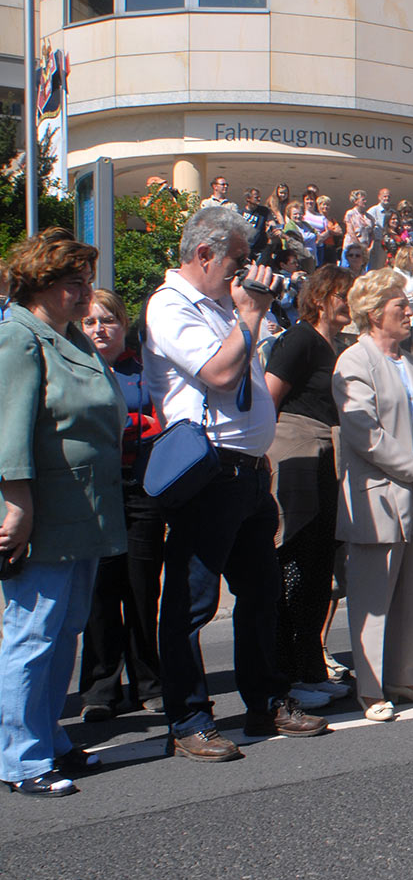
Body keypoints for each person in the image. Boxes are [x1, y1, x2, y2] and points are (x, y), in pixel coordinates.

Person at [144, 206, 329, 762]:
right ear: (204, 254)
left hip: (248, 470)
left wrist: (243, 309)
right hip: (209, 474)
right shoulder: (170, 305)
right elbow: (221, 376)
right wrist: (248, 314)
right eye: (237, 262)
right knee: (192, 605)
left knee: (262, 593)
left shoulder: (223, 304)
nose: (245, 273)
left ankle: (267, 699)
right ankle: (189, 719)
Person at [0, 235, 126, 795]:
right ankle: (20, 758)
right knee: (31, 634)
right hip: (45, 510)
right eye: (72, 282)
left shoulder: (70, 337)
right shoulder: (18, 336)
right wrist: (17, 505)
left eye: (85, 280)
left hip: (85, 510)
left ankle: (47, 738)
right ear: (41, 285)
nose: (83, 293)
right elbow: (10, 431)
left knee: (65, 630)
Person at [332, 268, 413, 722]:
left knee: (412, 595)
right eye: (399, 304)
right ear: (372, 311)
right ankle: (370, 686)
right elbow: (364, 432)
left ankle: (406, 676)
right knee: (372, 597)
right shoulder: (354, 361)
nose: (409, 311)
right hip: (379, 497)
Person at [263, 265, 356, 707]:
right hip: (298, 453)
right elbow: (268, 395)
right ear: (321, 298)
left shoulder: (333, 345)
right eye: (343, 295)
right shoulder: (299, 338)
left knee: (319, 565)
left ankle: (311, 670)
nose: (349, 303)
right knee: (295, 563)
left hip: (326, 458)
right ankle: (290, 675)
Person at [75, 290, 165, 723]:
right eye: (91, 322)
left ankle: (149, 683)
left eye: (107, 320)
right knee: (100, 594)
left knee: (143, 589)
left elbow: (161, 421)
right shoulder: (74, 368)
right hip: (93, 494)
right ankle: (99, 689)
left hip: (140, 491)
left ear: (123, 323)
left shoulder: (142, 369)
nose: (99, 329)